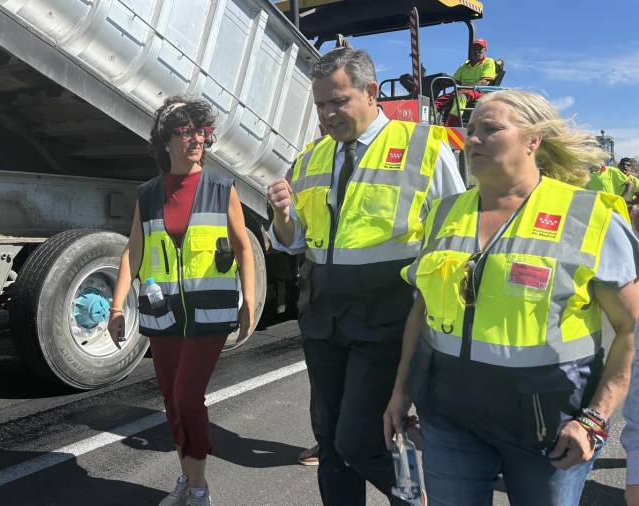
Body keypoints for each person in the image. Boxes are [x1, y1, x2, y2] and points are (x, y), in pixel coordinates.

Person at [384, 89, 639, 505]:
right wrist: (400, 391)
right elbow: (422, 310)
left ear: (532, 140)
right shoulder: (446, 213)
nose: (474, 140)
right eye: (471, 131)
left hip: (549, 428)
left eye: (491, 129)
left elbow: (630, 330)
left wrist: (594, 420)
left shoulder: (588, 216)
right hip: (449, 416)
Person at [266, 46, 465, 505]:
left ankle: (414, 498)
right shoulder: (313, 156)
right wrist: (281, 215)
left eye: (337, 101)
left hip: (387, 315)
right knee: (331, 442)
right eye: (320, 104)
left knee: (360, 439)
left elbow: (456, 236)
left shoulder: (424, 146)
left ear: (371, 92)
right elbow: (295, 241)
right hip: (323, 315)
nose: (327, 113)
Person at [108, 96, 255, 506]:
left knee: (189, 396)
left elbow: (244, 247)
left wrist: (250, 300)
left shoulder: (220, 188)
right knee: (172, 400)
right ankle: (188, 483)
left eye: (202, 130)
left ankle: (200, 487)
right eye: (186, 130)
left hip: (209, 313)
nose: (197, 138)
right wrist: (117, 307)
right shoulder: (149, 193)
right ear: (165, 140)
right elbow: (131, 252)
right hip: (162, 314)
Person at [434, 38, 497, 124]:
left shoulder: (488, 62)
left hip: (477, 91)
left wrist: (464, 86)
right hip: (461, 89)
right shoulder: (465, 64)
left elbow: (484, 82)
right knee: (438, 101)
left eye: (480, 49)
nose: (476, 51)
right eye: (474, 48)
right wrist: (443, 82)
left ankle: (453, 124)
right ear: (471, 50)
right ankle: (432, 120)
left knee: (461, 96)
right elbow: (455, 80)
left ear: (485, 50)